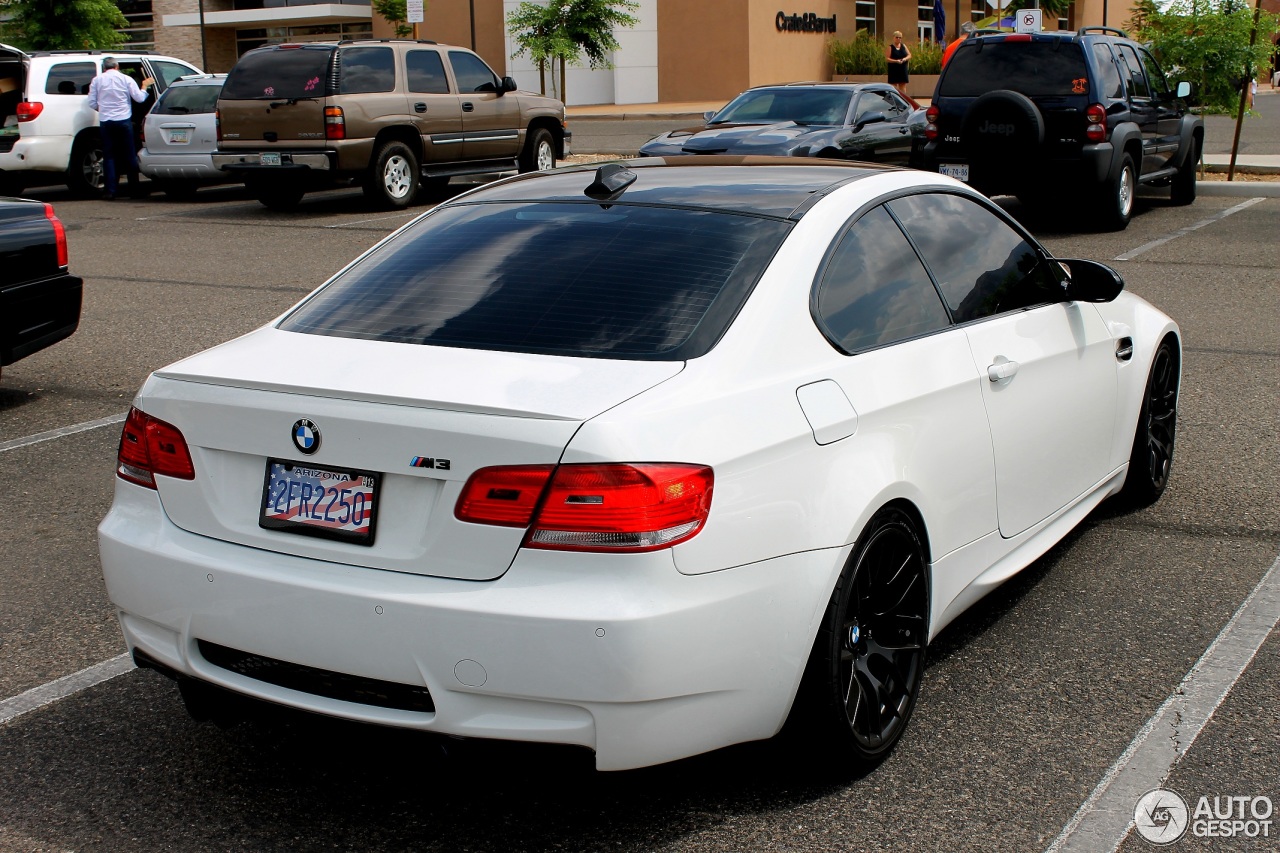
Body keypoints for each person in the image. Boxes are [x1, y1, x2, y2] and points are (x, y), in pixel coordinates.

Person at [86, 57, 154, 200]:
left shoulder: (97, 80)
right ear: (117, 66)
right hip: (123, 120)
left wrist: (103, 109)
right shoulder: (126, 79)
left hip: (106, 121)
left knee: (109, 156)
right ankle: (134, 189)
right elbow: (140, 99)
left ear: (105, 68)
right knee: (129, 155)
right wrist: (144, 86)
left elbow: (91, 102)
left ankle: (110, 191)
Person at [887, 31, 911, 98]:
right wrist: (896, 61)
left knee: (902, 84)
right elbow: (887, 58)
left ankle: (903, 98)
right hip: (894, 69)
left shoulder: (903, 46)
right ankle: (894, 99)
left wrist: (905, 59)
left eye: (900, 37)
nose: (898, 39)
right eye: (897, 37)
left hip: (902, 68)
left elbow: (909, 55)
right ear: (894, 38)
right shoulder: (890, 47)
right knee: (893, 85)